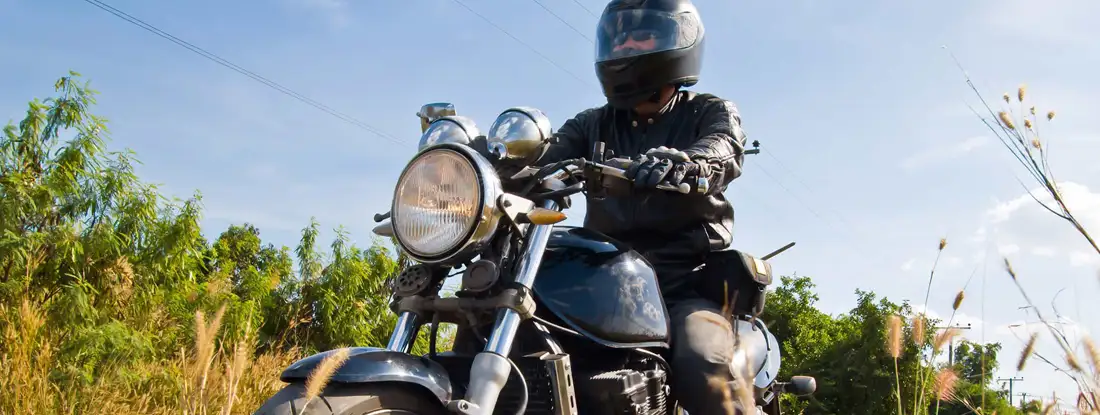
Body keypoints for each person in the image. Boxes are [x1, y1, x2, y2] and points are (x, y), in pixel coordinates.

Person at [536, 0, 750, 413]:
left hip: (683, 283)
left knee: (702, 365)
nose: (628, 45)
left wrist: (691, 162)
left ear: (680, 43)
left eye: (644, 35)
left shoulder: (708, 111)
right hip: (603, 284)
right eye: (620, 38)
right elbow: (545, 158)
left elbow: (724, 145)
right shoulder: (591, 124)